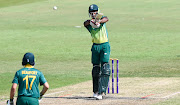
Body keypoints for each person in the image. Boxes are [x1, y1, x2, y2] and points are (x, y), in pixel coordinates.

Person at [84, 4, 111, 100]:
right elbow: (85, 23)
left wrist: (98, 21)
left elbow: (106, 19)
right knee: (95, 69)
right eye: (91, 13)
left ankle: (101, 91)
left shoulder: (101, 19)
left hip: (104, 45)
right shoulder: (89, 23)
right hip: (95, 46)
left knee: (105, 68)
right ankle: (95, 91)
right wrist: (92, 23)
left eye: (95, 12)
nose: (93, 14)